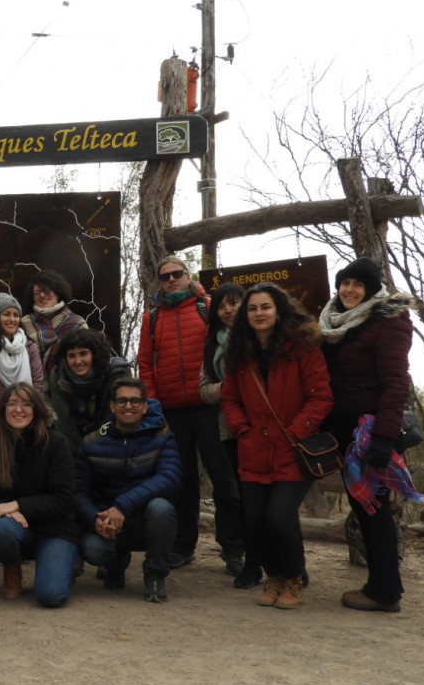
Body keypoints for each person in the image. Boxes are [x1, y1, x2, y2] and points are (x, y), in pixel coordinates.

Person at [220, 282, 333, 609]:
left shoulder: (303, 347)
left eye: (265, 307)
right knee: (253, 520)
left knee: (279, 517)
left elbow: (321, 397)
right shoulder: (239, 352)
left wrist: (295, 432)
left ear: (278, 310)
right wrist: (242, 429)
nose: (259, 313)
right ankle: (275, 576)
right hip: (253, 449)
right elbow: (229, 398)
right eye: (252, 308)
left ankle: (294, 578)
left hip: (292, 450)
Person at [320, 257, 419, 613]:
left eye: (357, 285)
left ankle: (384, 591)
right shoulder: (335, 322)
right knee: (367, 507)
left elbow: (395, 384)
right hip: (346, 428)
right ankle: (382, 585)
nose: (349, 290)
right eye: (345, 283)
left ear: (372, 289)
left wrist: (384, 436)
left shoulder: (388, 322)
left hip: (370, 429)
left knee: (373, 508)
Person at [136, 256, 243, 574]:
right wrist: (153, 407)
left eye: (177, 274)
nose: (171, 280)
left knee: (224, 479)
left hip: (211, 407)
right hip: (172, 412)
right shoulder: (151, 318)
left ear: (188, 275)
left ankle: (234, 549)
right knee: (180, 482)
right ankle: (183, 546)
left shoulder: (208, 307)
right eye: (164, 276)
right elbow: (145, 364)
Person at [75, 378, 181, 602]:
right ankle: (114, 564)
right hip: (108, 521)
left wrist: (123, 506)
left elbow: (169, 477)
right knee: (92, 549)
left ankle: (155, 575)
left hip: (145, 520)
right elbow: (79, 491)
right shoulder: (92, 443)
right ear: (112, 406)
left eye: (135, 401)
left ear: (145, 406)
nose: (128, 406)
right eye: (121, 401)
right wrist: (94, 518)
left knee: (161, 508)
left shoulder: (163, 437)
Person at [0, 383, 77, 608]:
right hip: (19, 528)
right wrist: (6, 509)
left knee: (51, 597)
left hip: (56, 529)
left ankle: (64, 563)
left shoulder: (56, 442)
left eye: (26, 404)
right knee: (1, 531)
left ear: (36, 409)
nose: (18, 410)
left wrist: (18, 505)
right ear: (2, 409)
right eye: (12, 403)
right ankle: (13, 565)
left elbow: (64, 498)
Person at [198, 282, 257, 588]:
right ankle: (234, 551)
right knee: (229, 491)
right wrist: (231, 389)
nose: (228, 310)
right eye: (221, 305)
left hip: (262, 426)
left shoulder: (260, 337)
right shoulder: (211, 344)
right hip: (225, 427)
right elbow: (204, 388)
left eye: (234, 303)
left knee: (260, 492)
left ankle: (268, 555)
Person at [48, 328, 131, 449]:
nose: (78, 361)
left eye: (83, 354)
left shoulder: (117, 373)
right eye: (71, 355)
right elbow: (64, 425)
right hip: (77, 443)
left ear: (94, 354)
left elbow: (117, 420)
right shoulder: (58, 377)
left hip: (115, 441)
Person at [19, 269, 87, 375]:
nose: (41, 295)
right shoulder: (23, 323)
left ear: (57, 292)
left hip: (66, 385)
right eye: (36, 292)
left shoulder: (77, 323)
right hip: (32, 386)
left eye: (46, 290)